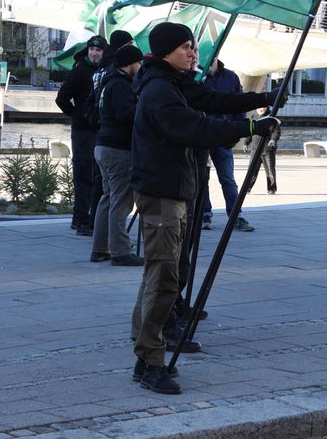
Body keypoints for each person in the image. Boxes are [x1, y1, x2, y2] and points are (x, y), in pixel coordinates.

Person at [129, 22, 279, 395]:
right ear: (165, 52)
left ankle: (147, 349)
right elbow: (193, 128)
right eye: (185, 47)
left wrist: (261, 100)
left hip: (175, 191)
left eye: (193, 47)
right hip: (163, 194)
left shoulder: (174, 82)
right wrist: (249, 129)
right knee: (164, 278)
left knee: (163, 275)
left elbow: (212, 101)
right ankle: (149, 361)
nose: (193, 53)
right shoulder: (160, 90)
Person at [91, 44, 145, 267]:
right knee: (121, 201)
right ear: (130, 64)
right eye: (139, 63)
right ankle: (120, 251)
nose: (141, 67)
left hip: (102, 145)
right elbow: (127, 114)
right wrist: (142, 105)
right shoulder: (121, 85)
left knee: (108, 197)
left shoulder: (107, 82)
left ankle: (100, 248)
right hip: (117, 149)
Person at [55, 35, 106, 236]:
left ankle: (92, 218)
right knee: (83, 173)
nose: (94, 53)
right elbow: (62, 98)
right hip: (83, 130)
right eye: (92, 50)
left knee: (97, 176)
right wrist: (77, 115)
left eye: (98, 51)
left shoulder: (104, 72)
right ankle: (80, 219)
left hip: (98, 129)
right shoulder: (80, 71)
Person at [200, 58, 254, 232]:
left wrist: (237, 131)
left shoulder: (231, 77)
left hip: (223, 134)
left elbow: (239, 105)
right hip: (202, 134)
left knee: (228, 178)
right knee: (202, 178)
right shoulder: (196, 77)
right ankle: (204, 214)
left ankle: (235, 215)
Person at [255, 106, 280, 194]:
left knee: (270, 170)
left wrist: (273, 139)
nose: (261, 109)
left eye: (263, 107)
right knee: (253, 170)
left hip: (267, 149)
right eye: (259, 107)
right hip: (256, 149)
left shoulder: (271, 118)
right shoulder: (254, 118)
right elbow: (250, 131)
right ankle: (247, 188)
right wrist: (246, 143)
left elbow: (276, 131)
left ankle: (272, 188)